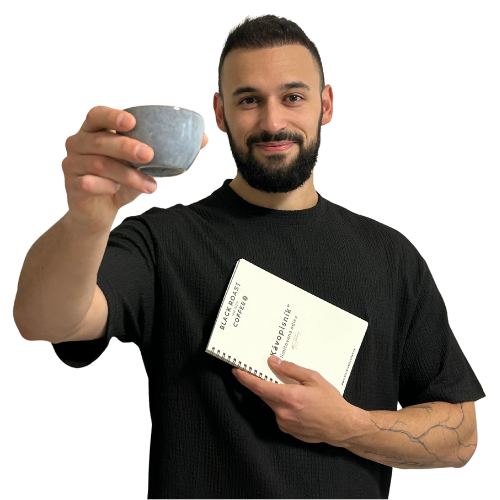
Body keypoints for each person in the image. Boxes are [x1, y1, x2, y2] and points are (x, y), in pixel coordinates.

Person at [13, 14, 485, 499]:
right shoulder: (163, 241)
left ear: (327, 105)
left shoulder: (392, 256)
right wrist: (86, 220)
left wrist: (347, 426)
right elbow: (44, 320)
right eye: (249, 100)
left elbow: (461, 436)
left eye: (292, 97)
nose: (272, 122)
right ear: (220, 114)